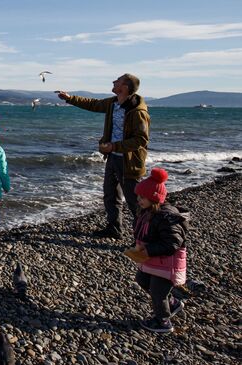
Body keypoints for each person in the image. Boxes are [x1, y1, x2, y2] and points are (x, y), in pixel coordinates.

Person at [57, 74, 150, 239]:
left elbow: (141, 140)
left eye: (118, 81)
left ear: (125, 87)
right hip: (112, 157)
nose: (114, 82)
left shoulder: (138, 111)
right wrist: (70, 98)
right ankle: (114, 229)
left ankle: (146, 237)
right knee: (110, 194)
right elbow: (93, 104)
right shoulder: (113, 103)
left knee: (134, 200)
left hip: (129, 162)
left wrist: (114, 146)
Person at [123, 168, 189, 333]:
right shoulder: (146, 213)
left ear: (154, 198)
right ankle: (172, 303)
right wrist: (137, 247)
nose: (138, 200)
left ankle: (163, 321)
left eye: (142, 197)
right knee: (142, 279)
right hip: (153, 260)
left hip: (167, 263)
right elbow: (143, 234)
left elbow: (172, 243)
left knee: (157, 292)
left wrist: (148, 250)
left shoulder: (167, 217)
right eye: (138, 196)